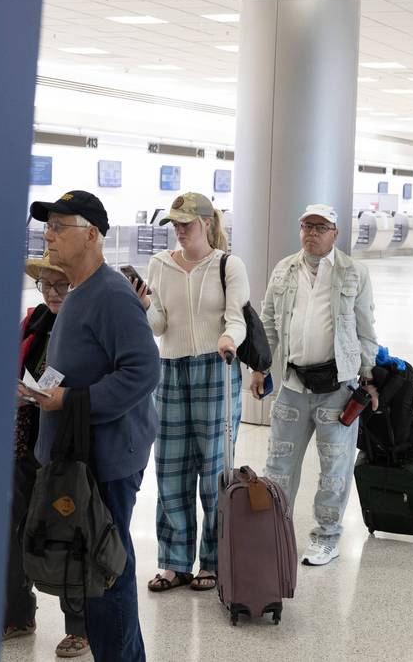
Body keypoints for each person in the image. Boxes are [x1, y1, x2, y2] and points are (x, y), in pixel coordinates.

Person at [23, 190, 159, 662]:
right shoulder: (79, 293)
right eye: (47, 227)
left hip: (107, 460)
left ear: (93, 235)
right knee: (96, 570)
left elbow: (143, 371)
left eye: (60, 227)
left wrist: (70, 400)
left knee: (107, 571)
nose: (49, 236)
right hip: (80, 454)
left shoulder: (111, 293)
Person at [250, 204, 378, 566]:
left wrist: (367, 378)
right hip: (293, 384)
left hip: (337, 388)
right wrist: (261, 367)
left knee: (334, 468)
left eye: (321, 227)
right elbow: (270, 322)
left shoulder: (354, 273)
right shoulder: (285, 269)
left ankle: (326, 536)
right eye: (307, 226)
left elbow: (366, 330)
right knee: (278, 467)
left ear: (335, 233)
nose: (312, 233)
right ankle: (273, 531)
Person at [134, 193, 247, 594]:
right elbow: (160, 325)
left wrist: (229, 339)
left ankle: (213, 560)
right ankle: (174, 561)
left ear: (205, 223)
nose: (180, 231)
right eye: (175, 225)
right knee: (170, 467)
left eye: (186, 223)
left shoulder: (227, 264)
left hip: (216, 367)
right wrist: (144, 303)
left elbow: (237, 317)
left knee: (214, 468)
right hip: (171, 370)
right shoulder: (160, 264)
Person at [3, 255, 87, 659]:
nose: (52, 293)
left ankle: (79, 627)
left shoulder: (85, 323)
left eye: (61, 285)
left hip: (67, 446)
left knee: (69, 536)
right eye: (46, 285)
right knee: (16, 529)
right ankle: (18, 614)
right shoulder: (34, 319)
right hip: (25, 441)